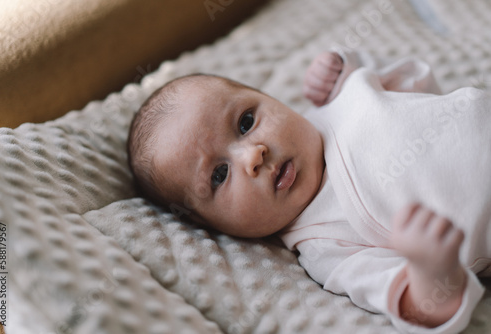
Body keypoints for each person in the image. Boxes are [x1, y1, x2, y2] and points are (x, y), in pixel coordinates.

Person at [127, 49, 491, 333]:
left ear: (269, 98)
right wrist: (432, 269)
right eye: (219, 175)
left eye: (246, 122)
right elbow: (421, 308)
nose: (254, 154)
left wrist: (346, 69)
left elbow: (418, 82)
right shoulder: (324, 245)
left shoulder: (341, 101)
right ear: (215, 226)